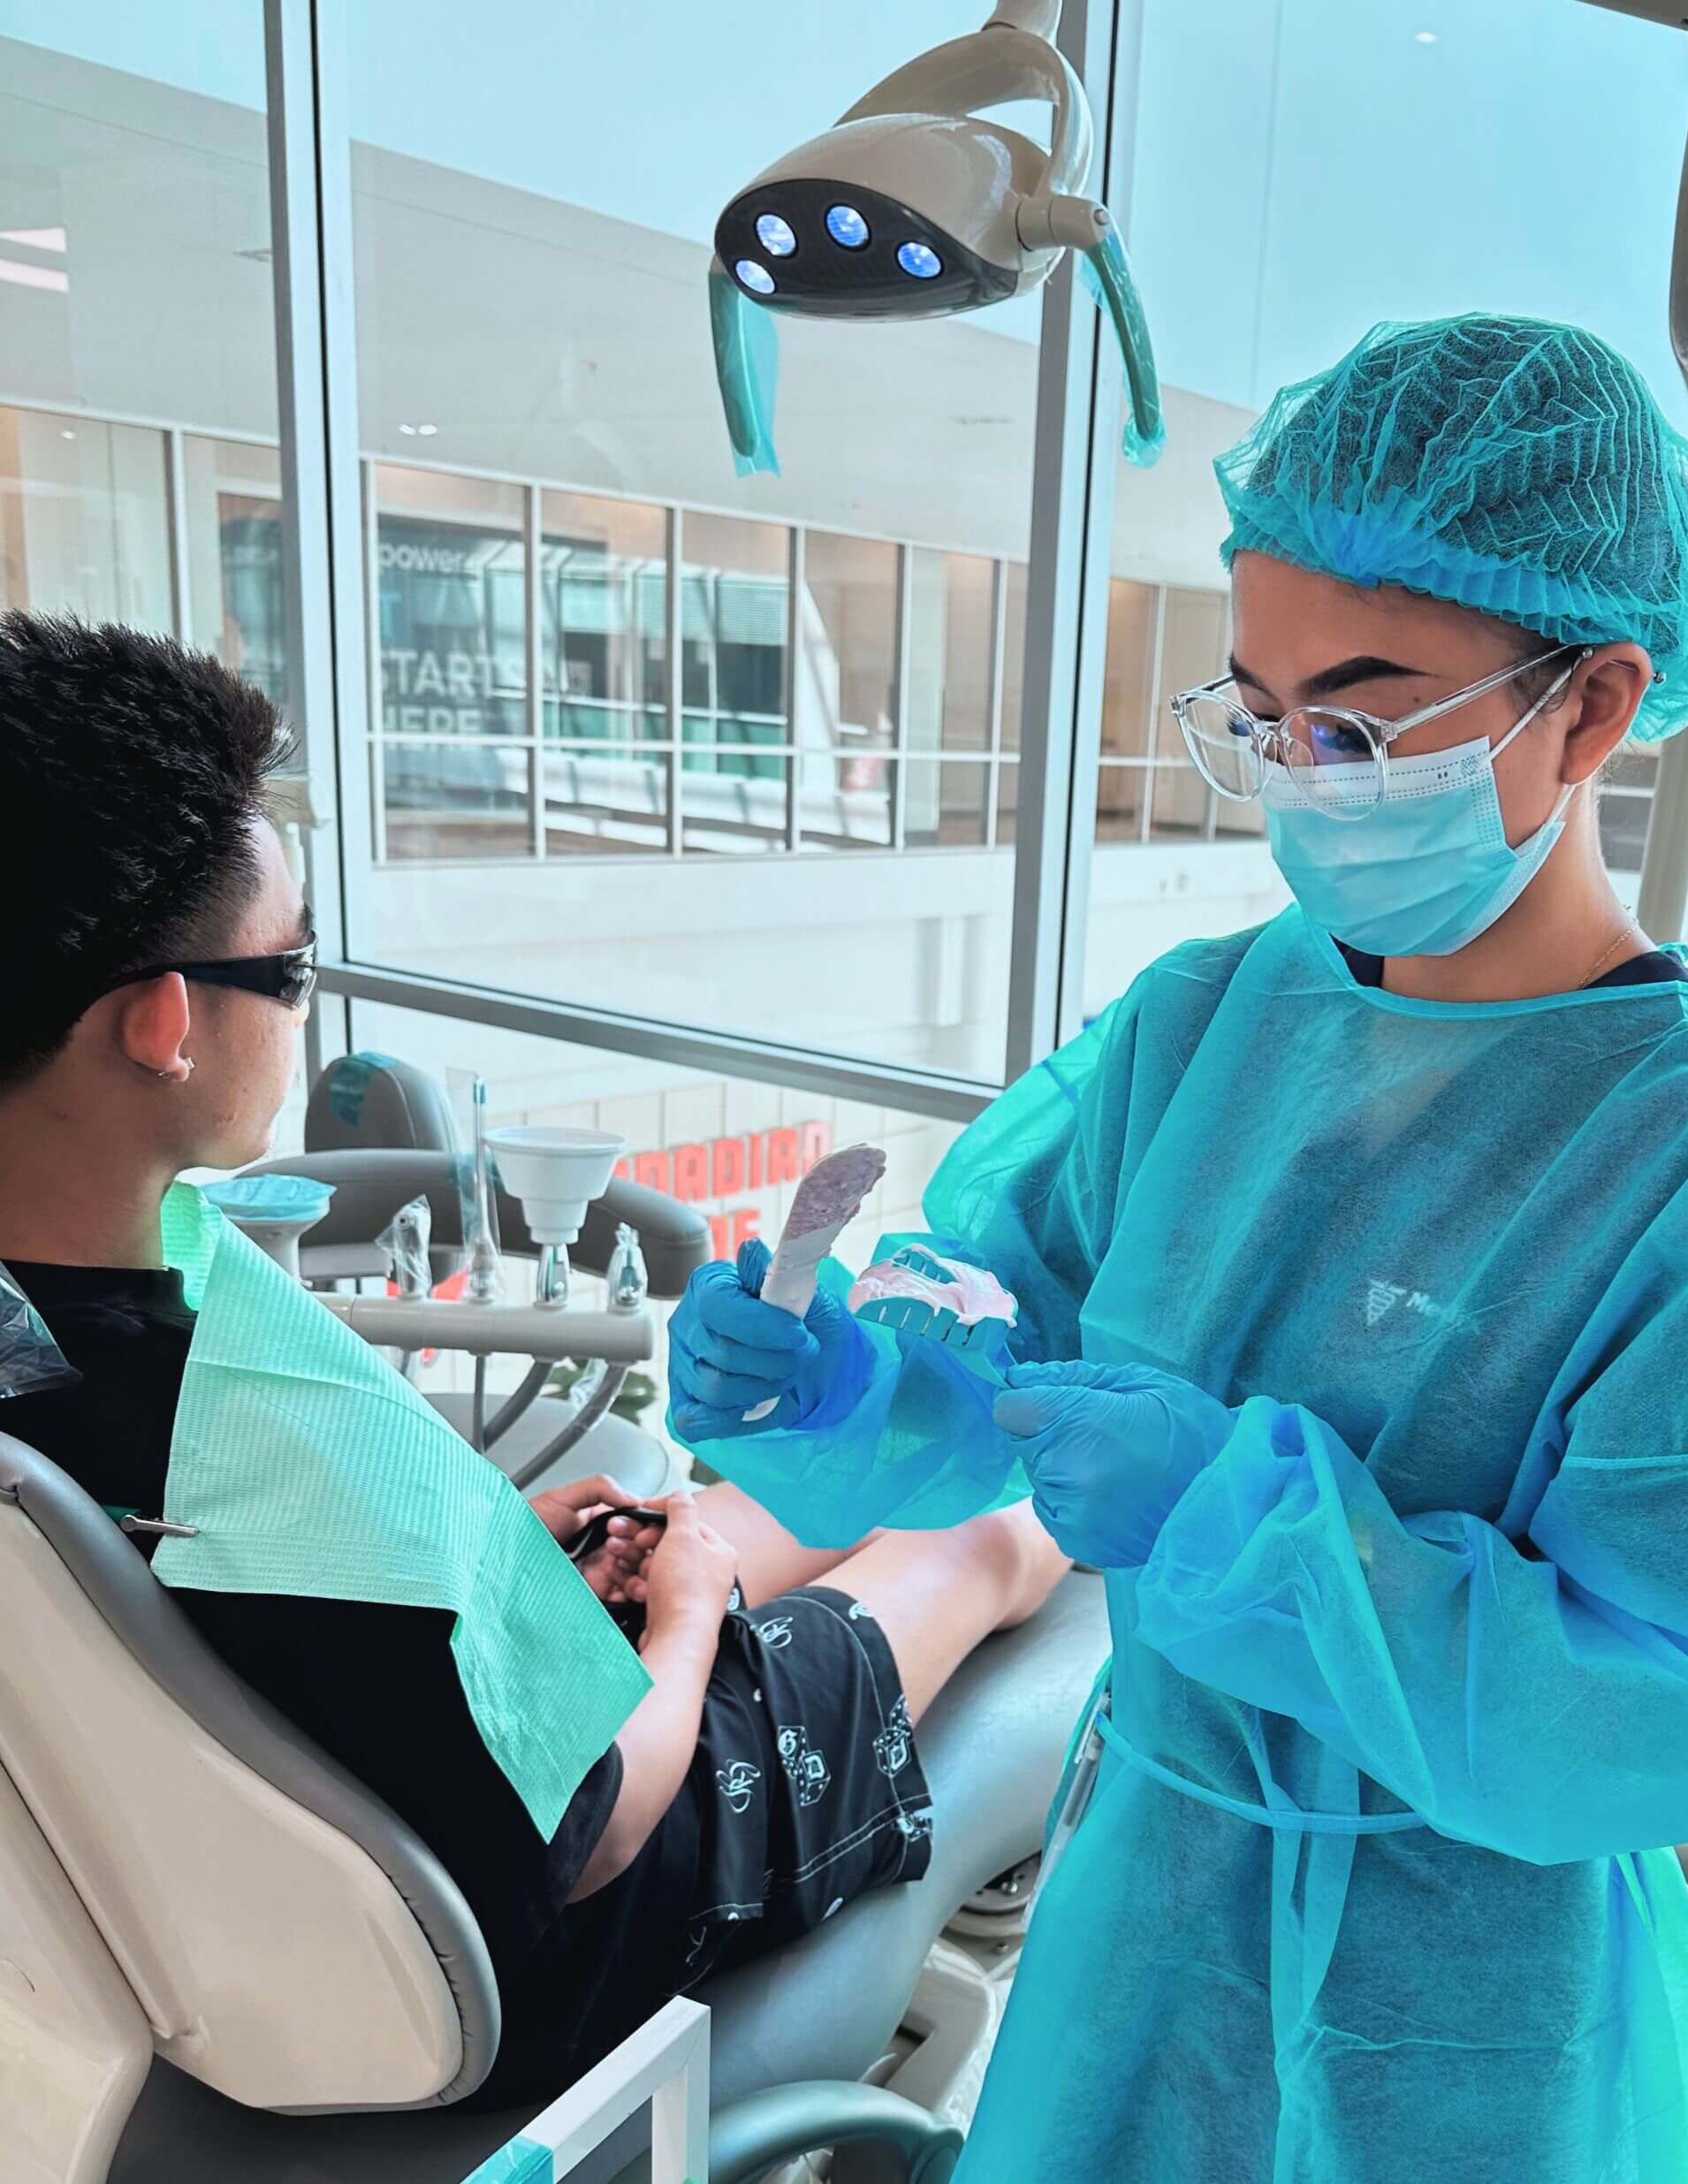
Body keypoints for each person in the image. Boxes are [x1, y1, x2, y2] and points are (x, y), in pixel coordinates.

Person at [667, 314, 1688, 2182]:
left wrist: (1250, 1527)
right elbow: (1007, 1362)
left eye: (1362, 710)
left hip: (1469, 2027)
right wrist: (855, 1380)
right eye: (1259, 712)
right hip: (1140, 1927)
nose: (1298, 771)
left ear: (1587, 707)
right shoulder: (1201, 1033)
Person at [0, 611, 1067, 2105]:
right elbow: (598, 1825)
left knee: (708, 1520)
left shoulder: (78, 1358)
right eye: (289, 971)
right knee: (959, 1542)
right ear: (164, 1023)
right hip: (519, 1951)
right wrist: (686, 1626)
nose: (297, 1009)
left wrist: (498, 1559)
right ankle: (1029, 1540)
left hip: (267, 1840)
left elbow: (296, 1628)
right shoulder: (234, 1442)